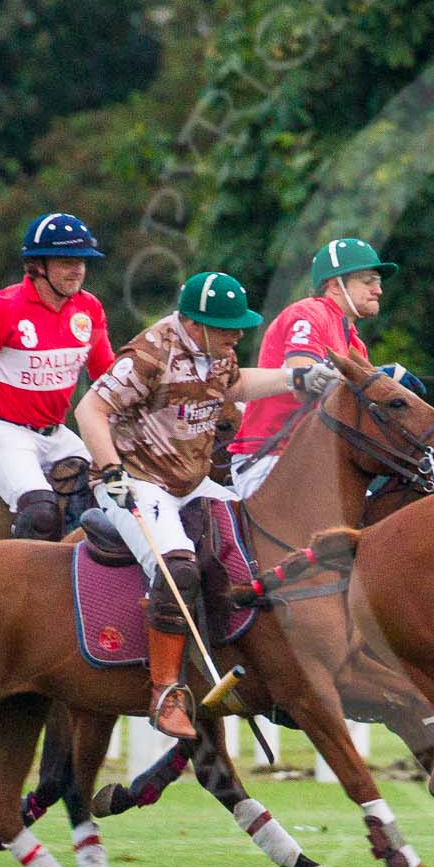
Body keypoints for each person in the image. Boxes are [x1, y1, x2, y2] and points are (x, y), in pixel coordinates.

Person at [75, 272, 332, 739]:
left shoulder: (218, 352)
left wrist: (296, 376)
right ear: (194, 324)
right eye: (226, 326)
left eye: (238, 326)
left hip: (192, 481)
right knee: (177, 567)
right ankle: (166, 690)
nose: (237, 334)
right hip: (136, 480)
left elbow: (234, 385)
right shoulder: (149, 354)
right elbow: (90, 409)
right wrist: (111, 469)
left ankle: (257, 668)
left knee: (253, 544)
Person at [0, 213, 114, 540]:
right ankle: (11, 583)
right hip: (3, 433)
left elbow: (107, 378)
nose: (78, 269)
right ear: (38, 265)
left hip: (57, 435)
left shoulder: (89, 309)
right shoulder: (2, 308)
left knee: (111, 501)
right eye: (66, 261)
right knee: (41, 513)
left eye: (82, 261)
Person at [227, 237, 421, 499]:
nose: (378, 291)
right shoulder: (308, 314)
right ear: (335, 285)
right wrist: (375, 379)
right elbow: (304, 387)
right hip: (270, 457)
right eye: (368, 281)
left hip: (316, 462)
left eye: (379, 282)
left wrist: (386, 389)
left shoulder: (355, 343)